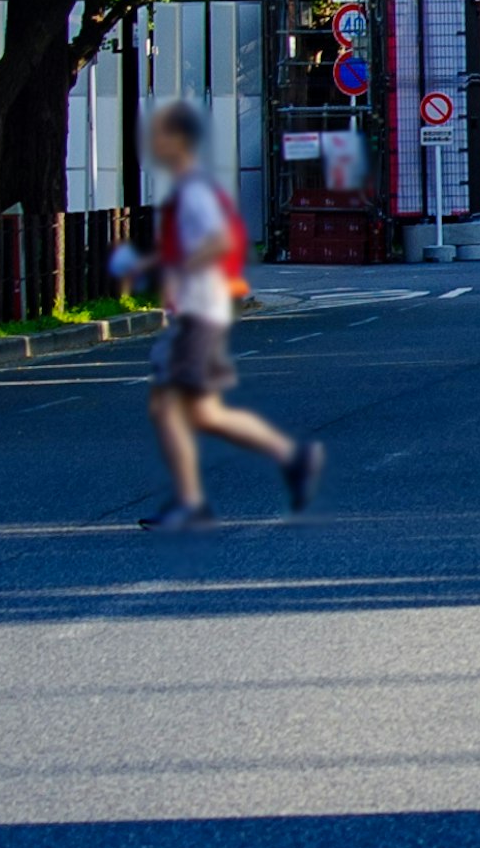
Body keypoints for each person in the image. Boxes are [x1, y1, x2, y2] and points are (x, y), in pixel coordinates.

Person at [113, 97, 323, 527]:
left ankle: (190, 504)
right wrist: (148, 266)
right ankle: (292, 458)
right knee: (204, 412)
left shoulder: (193, 190)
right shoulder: (189, 189)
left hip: (199, 309)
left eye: (161, 136)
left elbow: (219, 242)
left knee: (168, 406)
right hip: (198, 308)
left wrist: (181, 271)